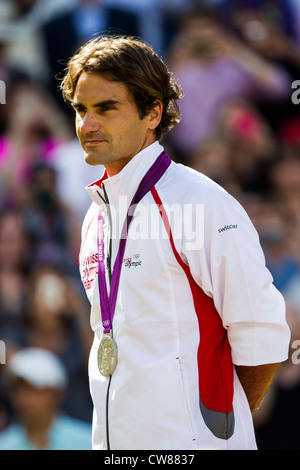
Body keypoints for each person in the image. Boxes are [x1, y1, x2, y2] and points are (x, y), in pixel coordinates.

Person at [59, 34, 290, 450]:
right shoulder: (95, 214)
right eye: (81, 109)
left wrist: (219, 428)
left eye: (106, 108)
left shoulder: (200, 200)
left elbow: (262, 331)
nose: (87, 125)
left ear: (153, 112)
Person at [0, 347, 92, 450]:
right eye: (18, 390)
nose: (24, 398)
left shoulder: (89, 441)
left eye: (35, 390)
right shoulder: (4, 445)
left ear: (56, 394)